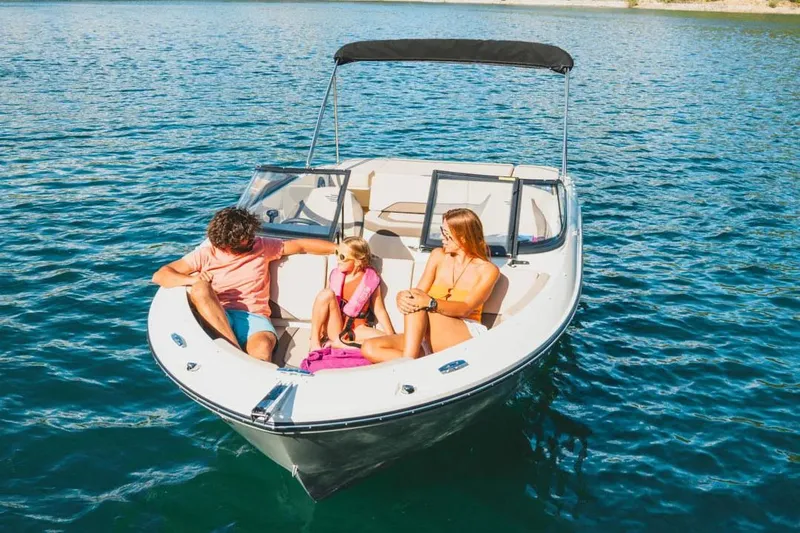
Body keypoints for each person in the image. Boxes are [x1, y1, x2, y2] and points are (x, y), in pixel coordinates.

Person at [151, 206, 336, 362]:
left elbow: (301, 246)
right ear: (225, 244)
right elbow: (160, 275)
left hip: (255, 317)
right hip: (219, 314)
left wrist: (338, 248)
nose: (250, 242)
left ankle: (234, 357)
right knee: (200, 288)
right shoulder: (206, 254)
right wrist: (193, 279)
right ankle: (234, 354)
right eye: (244, 241)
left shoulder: (262, 246)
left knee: (262, 348)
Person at [361, 208, 500, 363]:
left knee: (418, 304)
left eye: (446, 233)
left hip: (464, 332)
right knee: (369, 347)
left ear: (463, 238)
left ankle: (407, 364)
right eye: (442, 231)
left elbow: (466, 307)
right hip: (430, 331)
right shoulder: (438, 256)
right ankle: (413, 360)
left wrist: (430, 303)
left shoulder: (487, 270)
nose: (441, 237)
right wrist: (403, 296)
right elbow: (418, 292)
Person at [309, 237, 395, 351]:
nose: (338, 259)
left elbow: (379, 310)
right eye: (337, 253)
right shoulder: (336, 276)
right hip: (336, 326)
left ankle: (343, 344)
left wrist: (391, 335)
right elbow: (324, 305)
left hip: (358, 329)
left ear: (358, 260)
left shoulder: (371, 280)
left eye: (342, 257)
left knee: (386, 341)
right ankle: (315, 343)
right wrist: (320, 332)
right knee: (326, 294)